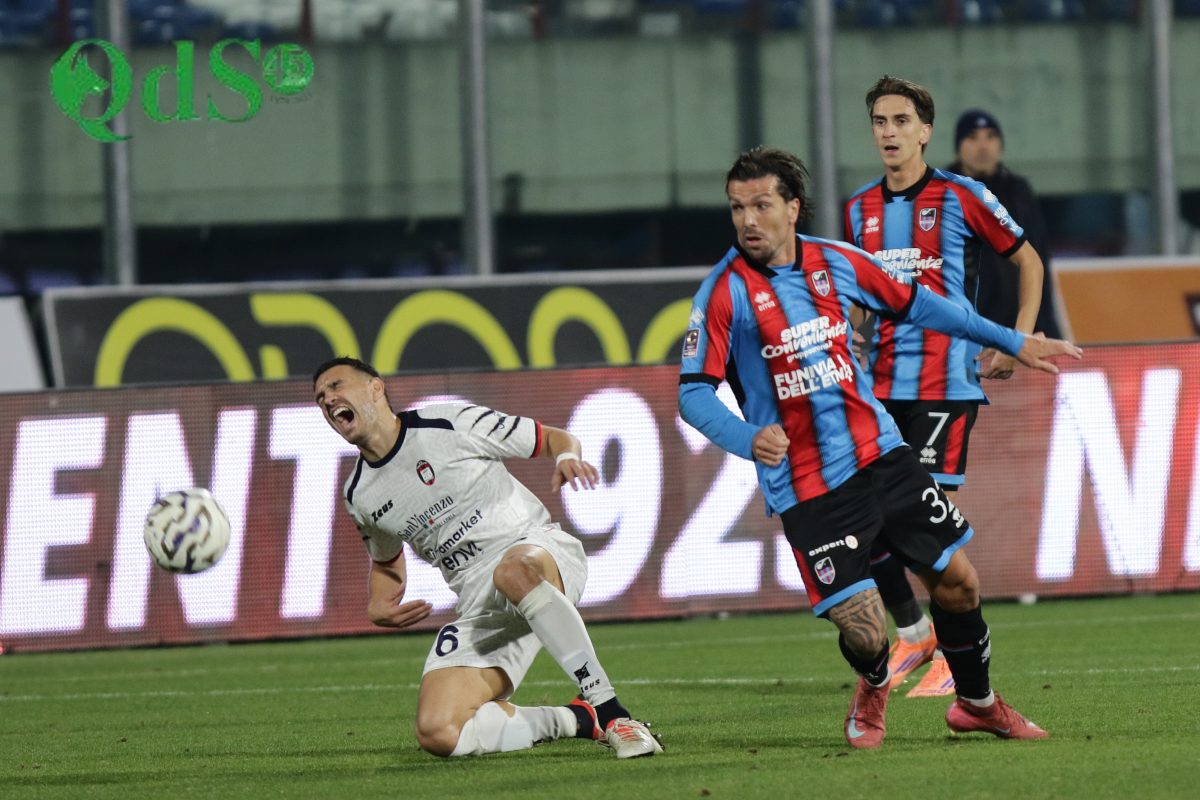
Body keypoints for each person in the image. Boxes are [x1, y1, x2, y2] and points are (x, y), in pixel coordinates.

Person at [679, 146, 1079, 748]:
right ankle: (873, 680)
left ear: (792, 208)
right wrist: (745, 436)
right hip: (810, 484)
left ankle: (979, 704)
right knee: (866, 631)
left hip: (882, 454)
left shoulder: (836, 261)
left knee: (960, 583)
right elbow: (693, 394)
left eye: (761, 205)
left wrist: (1010, 338)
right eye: (737, 208)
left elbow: (923, 305)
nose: (747, 220)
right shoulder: (723, 293)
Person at [313, 356, 662, 759]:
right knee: (440, 732)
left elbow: (551, 438)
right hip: (482, 606)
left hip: (537, 550)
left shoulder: (448, 423)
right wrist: (378, 604)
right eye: (320, 397)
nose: (328, 399)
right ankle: (581, 720)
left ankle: (613, 712)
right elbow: (386, 560)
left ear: (376, 387)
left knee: (511, 571)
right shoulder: (360, 494)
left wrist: (566, 457)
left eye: (336, 386)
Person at [841, 76, 1051, 698]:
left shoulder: (964, 195)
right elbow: (861, 298)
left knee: (917, 524)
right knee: (869, 524)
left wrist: (1016, 337)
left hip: (945, 384)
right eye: (880, 121)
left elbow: (1028, 259)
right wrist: (849, 340)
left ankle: (941, 650)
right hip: (880, 389)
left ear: (925, 131)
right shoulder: (859, 209)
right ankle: (918, 632)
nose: (889, 132)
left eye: (901, 121)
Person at [949, 108, 1063, 339]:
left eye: (990, 137)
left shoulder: (1018, 191)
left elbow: (1038, 255)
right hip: (966, 327)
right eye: (972, 137)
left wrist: (1046, 325)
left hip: (1020, 323)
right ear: (959, 146)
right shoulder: (944, 191)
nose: (983, 146)